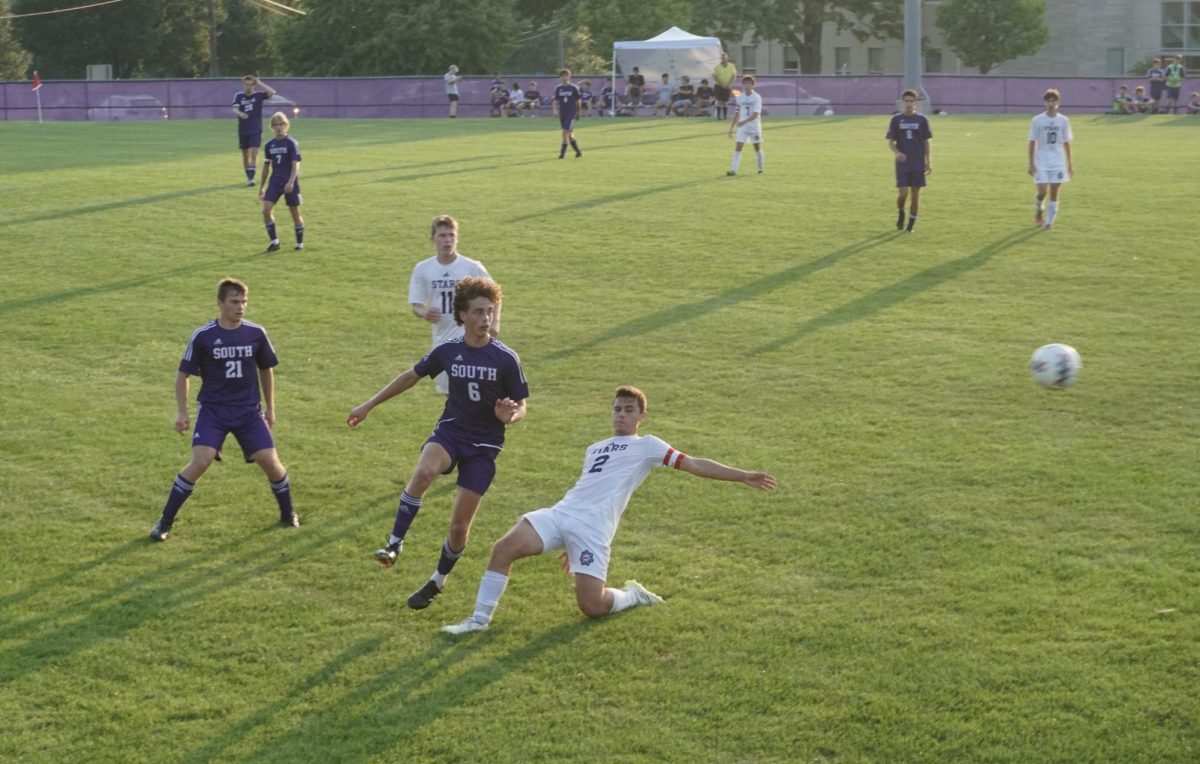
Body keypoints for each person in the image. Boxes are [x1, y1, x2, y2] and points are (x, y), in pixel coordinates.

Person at [441, 385, 777, 635]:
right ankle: (478, 621)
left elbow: (694, 463)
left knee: (592, 607)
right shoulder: (595, 448)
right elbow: (588, 489)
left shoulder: (648, 446)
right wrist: (565, 541)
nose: (621, 414)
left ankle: (632, 596)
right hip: (561, 514)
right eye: (617, 408)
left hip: (592, 531)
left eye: (629, 410)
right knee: (503, 548)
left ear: (641, 416)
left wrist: (742, 475)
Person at [348, 277, 529, 611]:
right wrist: (368, 405)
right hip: (452, 431)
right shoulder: (448, 350)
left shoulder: (505, 358)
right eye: (478, 312)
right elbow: (410, 376)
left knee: (459, 528)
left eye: (489, 311)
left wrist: (511, 417)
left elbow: (521, 405)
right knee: (425, 470)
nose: (485, 318)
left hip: (485, 445)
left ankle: (437, 581)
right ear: (462, 315)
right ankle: (394, 543)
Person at [149, 278, 298, 542]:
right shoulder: (204, 335)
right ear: (220, 304)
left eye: (244, 302)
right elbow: (183, 375)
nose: (240, 307)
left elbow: (266, 369)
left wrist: (271, 408)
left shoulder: (256, 333)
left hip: (248, 412)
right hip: (213, 411)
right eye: (234, 302)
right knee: (200, 461)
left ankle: (288, 514)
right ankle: (165, 521)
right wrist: (182, 412)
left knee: (271, 463)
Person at [408, 215, 499, 395]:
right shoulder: (423, 269)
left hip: (469, 333)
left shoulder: (471, 267)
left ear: (457, 238)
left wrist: (494, 322)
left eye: (452, 235)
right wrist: (424, 312)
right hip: (441, 338)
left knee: (473, 386)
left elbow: (495, 295)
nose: (448, 240)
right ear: (433, 238)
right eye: (442, 235)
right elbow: (416, 304)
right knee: (450, 391)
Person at [886, 89, 933, 233]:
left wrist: (928, 161)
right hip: (903, 164)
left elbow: (926, 142)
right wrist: (897, 153)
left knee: (915, 194)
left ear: (916, 103)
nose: (909, 104)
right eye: (906, 101)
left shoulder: (922, 120)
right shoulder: (896, 119)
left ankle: (911, 225)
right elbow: (890, 142)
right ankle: (901, 211)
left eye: (911, 101)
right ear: (902, 102)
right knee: (903, 193)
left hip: (918, 162)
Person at [1028, 88, 1073, 230]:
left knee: (1054, 190)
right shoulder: (1037, 120)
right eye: (1048, 101)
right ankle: (1039, 208)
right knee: (1042, 191)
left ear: (1058, 102)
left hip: (1058, 160)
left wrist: (1070, 163)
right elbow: (1032, 141)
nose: (1051, 103)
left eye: (1054, 101)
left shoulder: (1064, 121)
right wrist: (1031, 163)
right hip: (1041, 159)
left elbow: (1066, 142)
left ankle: (1049, 223)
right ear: (1044, 103)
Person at [258, 111, 304, 252]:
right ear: (272, 127)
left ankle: (299, 244)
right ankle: (275, 242)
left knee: (294, 212)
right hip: (275, 182)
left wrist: (290, 182)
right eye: (275, 125)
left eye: (281, 124)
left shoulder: (291, 143)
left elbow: (295, 164)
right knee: (266, 210)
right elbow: (266, 167)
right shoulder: (269, 145)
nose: (279, 127)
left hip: (290, 182)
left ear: (286, 125)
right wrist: (261, 187)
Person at [232, 75, 276, 186]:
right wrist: (241, 114)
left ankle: (251, 179)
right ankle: (248, 177)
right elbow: (234, 109)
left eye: (251, 85)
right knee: (245, 154)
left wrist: (260, 83)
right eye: (246, 84)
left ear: (254, 85)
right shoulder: (239, 96)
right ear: (243, 85)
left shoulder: (258, 96)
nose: (248, 87)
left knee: (254, 152)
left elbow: (272, 92)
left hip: (256, 129)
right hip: (243, 130)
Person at [727, 75, 764, 176]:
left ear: (753, 85)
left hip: (754, 127)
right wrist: (731, 128)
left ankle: (760, 167)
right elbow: (737, 112)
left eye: (749, 83)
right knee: (738, 146)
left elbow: (756, 114)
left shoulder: (757, 97)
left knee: (757, 147)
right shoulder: (740, 97)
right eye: (745, 83)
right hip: (742, 128)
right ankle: (733, 169)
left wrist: (744, 121)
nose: (746, 85)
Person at [552, 68, 584, 159]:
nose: (564, 77)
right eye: (562, 76)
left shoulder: (574, 88)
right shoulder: (558, 88)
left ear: (569, 76)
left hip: (571, 113)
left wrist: (578, 112)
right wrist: (555, 110)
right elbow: (555, 100)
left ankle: (562, 153)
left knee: (565, 131)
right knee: (569, 134)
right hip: (563, 113)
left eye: (566, 75)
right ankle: (578, 152)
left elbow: (578, 100)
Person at [712, 51, 738, 120]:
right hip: (719, 86)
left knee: (725, 101)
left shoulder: (731, 66)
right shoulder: (717, 67)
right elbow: (714, 76)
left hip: (727, 86)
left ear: (727, 58)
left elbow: (734, 75)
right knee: (719, 101)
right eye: (722, 58)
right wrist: (720, 83)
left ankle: (725, 116)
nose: (723, 59)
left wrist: (730, 84)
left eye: (725, 58)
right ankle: (718, 116)